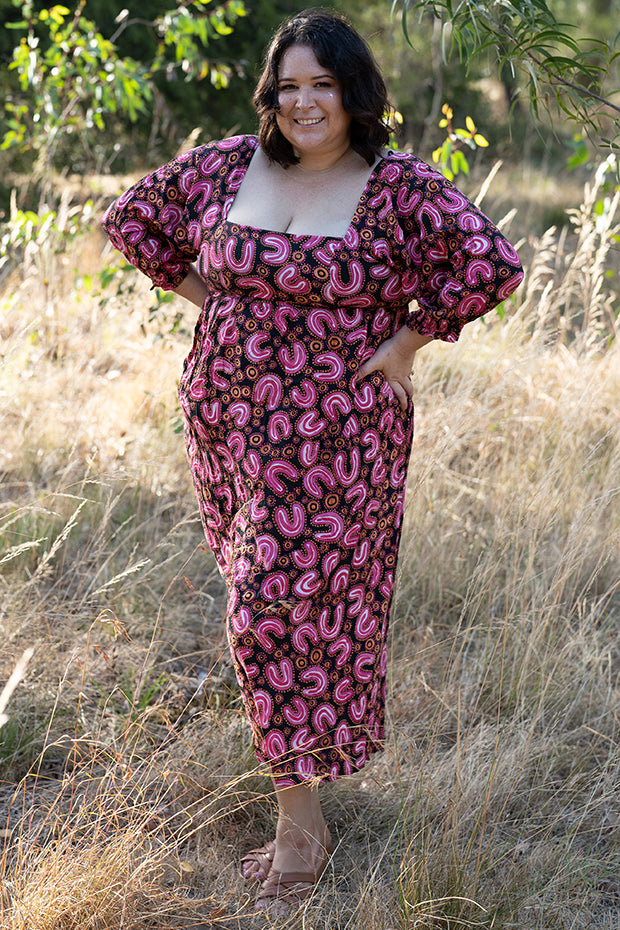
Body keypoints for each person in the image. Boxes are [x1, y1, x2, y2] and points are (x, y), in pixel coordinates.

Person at [102, 8, 523, 908]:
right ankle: (309, 774)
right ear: (271, 94)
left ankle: (302, 826)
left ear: (354, 91)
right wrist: (216, 302)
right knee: (268, 604)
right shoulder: (226, 166)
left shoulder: (398, 185)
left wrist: (407, 343)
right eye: (288, 85)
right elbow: (132, 220)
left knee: (269, 611)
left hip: (338, 438)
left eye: (322, 84)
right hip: (228, 422)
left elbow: (491, 263)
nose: (304, 103)